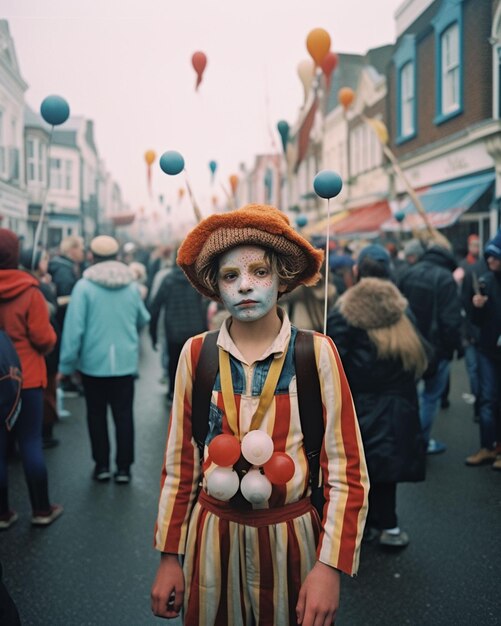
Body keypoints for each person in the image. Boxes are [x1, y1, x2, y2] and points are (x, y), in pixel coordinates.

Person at [151, 204, 369, 626]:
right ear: (215, 286)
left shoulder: (316, 352)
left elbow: (347, 469)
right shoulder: (196, 354)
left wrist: (329, 567)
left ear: (281, 278)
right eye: (231, 276)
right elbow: (180, 465)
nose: (245, 286)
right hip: (211, 538)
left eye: (259, 272)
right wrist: (168, 556)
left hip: (293, 541)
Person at [327, 244, 426, 549]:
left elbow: (333, 357)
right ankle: (390, 527)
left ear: (357, 271)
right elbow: (422, 355)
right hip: (399, 400)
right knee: (388, 467)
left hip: (360, 401)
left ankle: (365, 526)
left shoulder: (345, 309)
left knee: (360, 468)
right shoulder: (401, 309)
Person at [58, 235, 150, 483]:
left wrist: (66, 365)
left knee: (96, 415)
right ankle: (124, 468)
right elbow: (143, 318)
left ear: (92, 256)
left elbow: (74, 329)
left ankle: (102, 466)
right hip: (124, 362)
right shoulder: (130, 286)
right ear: (117, 256)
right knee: (124, 415)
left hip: (92, 363)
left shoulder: (84, 287)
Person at [0, 228, 63, 527]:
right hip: (26, 378)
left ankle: (2, 513)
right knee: (30, 442)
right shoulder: (29, 291)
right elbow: (44, 339)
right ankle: (40, 509)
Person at [398, 240, 462, 454]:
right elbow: (451, 320)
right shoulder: (445, 279)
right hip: (437, 349)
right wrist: (456, 347)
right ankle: (421, 443)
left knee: (410, 394)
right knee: (430, 397)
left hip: (409, 344)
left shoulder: (409, 273)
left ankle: (406, 439)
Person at [465, 229, 501, 469]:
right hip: (489, 349)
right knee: (487, 399)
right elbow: (476, 321)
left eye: (494, 256)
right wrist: (477, 307)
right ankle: (488, 447)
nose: (489, 260)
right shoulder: (486, 280)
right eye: (488, 255)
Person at [19, 247, 62, 449]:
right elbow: (44, 332)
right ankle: (45, 431)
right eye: (44, 259)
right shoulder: (37, 289)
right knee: (45, 395)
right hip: (38, 357)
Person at [148, 262, 209, 401]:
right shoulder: (197, 279)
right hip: (196, 329)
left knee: (174, 363)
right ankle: (195, 395)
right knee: (195, 364)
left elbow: (155, 307)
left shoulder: (168, 280)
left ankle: (173, 393)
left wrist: (153, 334)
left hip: (173, 330)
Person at [49, 234, 85, 397]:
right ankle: (66, 379)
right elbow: (65, 296)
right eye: (80, 248)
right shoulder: (64, 270)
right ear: (72, 250)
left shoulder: (66, 267)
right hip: (63, 319)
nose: (83, 251)